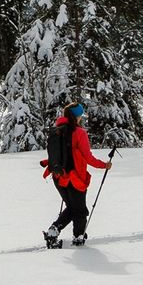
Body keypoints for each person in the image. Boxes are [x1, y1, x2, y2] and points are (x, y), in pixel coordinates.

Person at [41, 102, 111, 248]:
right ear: (76, 116)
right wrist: (104, 165)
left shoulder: (57, 131)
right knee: (79, 210)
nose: (81, 118)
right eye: (80, 115)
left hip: (58, 176)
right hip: (74, 178)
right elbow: (88, 157)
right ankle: (78, 238)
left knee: (73, 207)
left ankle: (54, 231)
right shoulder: (79, 133)